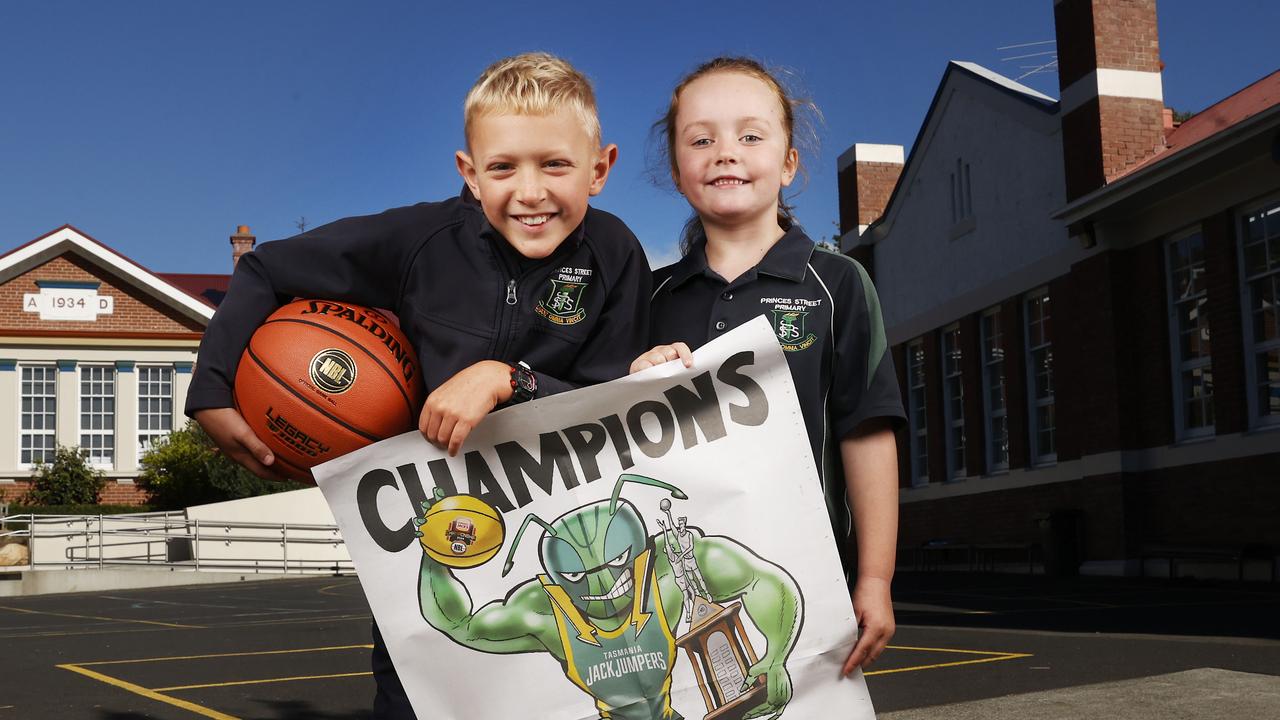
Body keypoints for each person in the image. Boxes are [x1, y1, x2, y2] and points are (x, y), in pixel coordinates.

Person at [185, 53, 652, 720]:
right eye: (502, 167)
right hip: (427, 543)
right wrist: (212, 385)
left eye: (555, 165)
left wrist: (508, 381)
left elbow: (614, 405)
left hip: (564, 546)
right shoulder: (418, 241)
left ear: (599, 169)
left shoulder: (615, 254)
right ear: (468, 172)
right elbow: (266, 268)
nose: (529, 191)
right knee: (415, 704)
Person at [631, 57, 906, 675]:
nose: (725, 152)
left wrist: (876, 576)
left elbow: (868, 431)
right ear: (678, 171)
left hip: (808, 571)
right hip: (675, 580)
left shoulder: (836, 283)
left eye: (750, 135)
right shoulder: (648, 298)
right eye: (701, 139)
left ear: (789, 163)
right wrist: (632, 379)